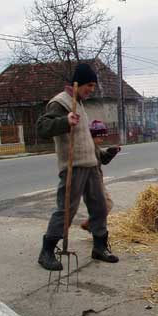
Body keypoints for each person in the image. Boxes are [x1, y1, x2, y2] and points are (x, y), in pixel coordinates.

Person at [36, 63, 119, 271]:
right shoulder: (61, 103)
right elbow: (42, 128)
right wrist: (65, 121)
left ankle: (99, 247)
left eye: (93, 85)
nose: (92, 89)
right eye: (89, 85)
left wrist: (103, 155)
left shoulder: (80, 103)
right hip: (73, 167)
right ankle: (47, 251)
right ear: (78, 83)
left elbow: (85, 141)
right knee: (66, 211)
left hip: (91, 167)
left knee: (100, 207)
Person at [80, 121, 121, 232]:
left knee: (101, 206)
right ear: (93, 135)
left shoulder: (95, 147)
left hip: (97, 180)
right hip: (91, 181)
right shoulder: (87, 148)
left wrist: (112, 152)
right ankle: (93, 226)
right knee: (105, 205)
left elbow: (103, 159)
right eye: (100, 136)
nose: (103, 139)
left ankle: (94, 227)